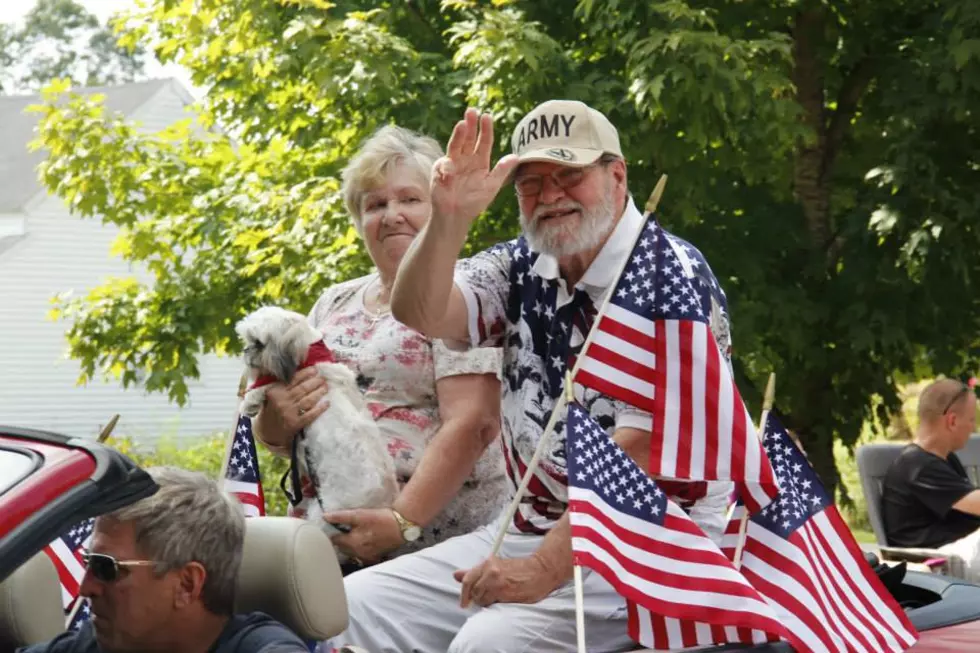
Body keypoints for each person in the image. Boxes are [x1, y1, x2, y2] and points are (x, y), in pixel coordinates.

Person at [325, 100, 735, 653]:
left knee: (488, 644)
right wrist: (449, 217)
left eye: (569, 175)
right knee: (349, 609)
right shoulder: (524, 265)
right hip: (530, 528)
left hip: (648, 541)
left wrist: (543, 567)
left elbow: (642, 451)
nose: (549, 195)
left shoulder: (669, 276)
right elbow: (421, 310)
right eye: (531, 182)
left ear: (617, 175)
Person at [254, 125, 506, 565]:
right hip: (326, 535)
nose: (392, 215)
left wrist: (399, 521)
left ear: (441, 207)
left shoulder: (465, 293)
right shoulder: (334, 300)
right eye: (376, 204)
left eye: (410, 199)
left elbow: (473, 424)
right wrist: (277, 420)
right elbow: (276, 432)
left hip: (431, 545)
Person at [19, 467, 308, 653]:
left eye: (105, 568)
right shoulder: (98, 643)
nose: (86, 588)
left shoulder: (262, 647)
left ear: (186, 584)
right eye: (88, 562)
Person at [883, 378, 980, 578]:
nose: (973, 427)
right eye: (971, 420)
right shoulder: (918, 466)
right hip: (935, 564)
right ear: (952, 421)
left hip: (957, 553)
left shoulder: (943, 459)